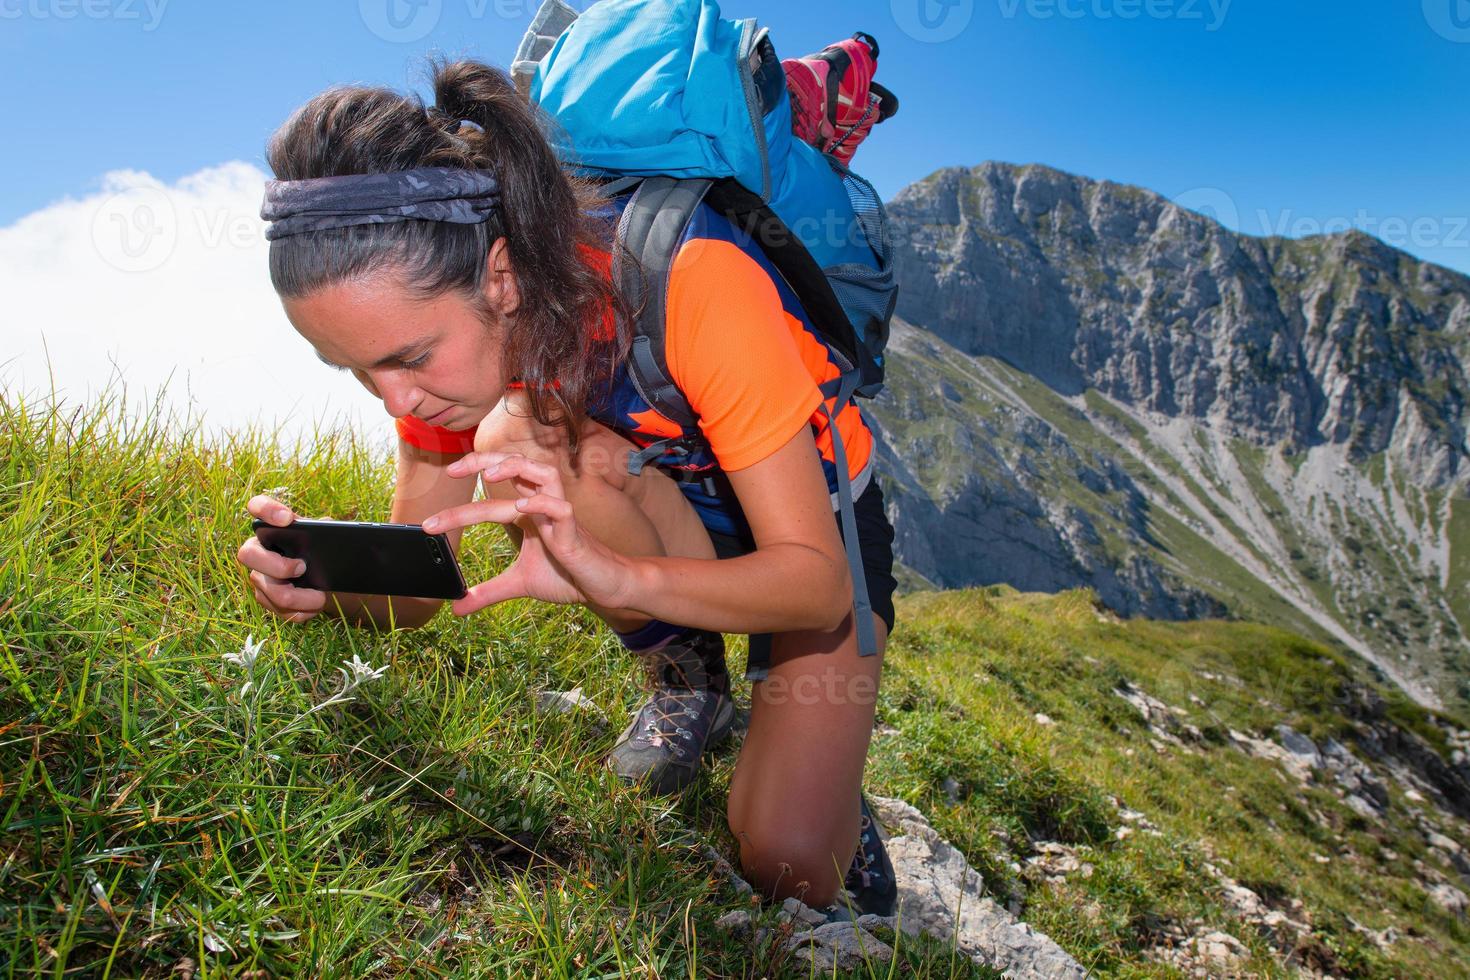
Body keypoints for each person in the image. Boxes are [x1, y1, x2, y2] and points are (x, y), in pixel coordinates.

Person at [235, 57, 898, 915]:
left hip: (817, 530)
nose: (396, 399)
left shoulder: (691, 280)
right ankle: (689, 678)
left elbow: (812, 588)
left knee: (789, 859)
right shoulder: (449, 361)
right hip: (663, 494)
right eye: (353, 368)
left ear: (501, 278)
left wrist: (617, 578)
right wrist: (322, 586)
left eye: (407, 358)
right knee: (518, 433)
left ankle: (832, 785)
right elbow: (422, 592)